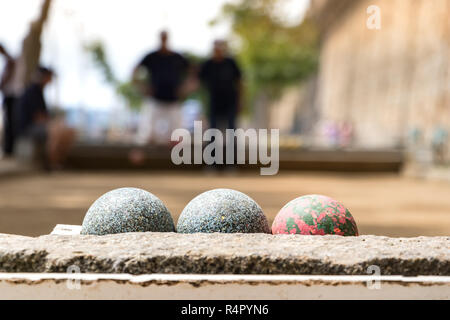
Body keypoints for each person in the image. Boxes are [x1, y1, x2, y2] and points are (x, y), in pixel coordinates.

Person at [133, 30, 189, 146]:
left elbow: (193, 72)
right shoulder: (151, 56)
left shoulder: (177, 57)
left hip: (173, 100)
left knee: (176, 137)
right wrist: (142, 87)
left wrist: (185, 88)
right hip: (155, 100)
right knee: (148, 136)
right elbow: (135, 71)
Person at [15, 66, 74, 169]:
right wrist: (54, 122)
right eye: (49, 77)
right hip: (28, 127)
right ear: (43, 77)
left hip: (39, 125)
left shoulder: (40, 91)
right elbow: (38, 117)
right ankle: (51, 163)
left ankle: (60, 161)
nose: (50, 80)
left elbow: (44, 116)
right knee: (55, 131)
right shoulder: (32, 92)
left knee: (69, 131)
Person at [199, 40, 242, 131]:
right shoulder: (208, 64)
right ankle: (212, 145)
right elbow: (201, 83)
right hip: (214, 101)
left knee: (231, 128)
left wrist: (240, 100)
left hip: (230, 101)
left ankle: (232, 145)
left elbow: (239, 82)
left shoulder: (231, 63)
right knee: (213, 129)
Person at [0, 44, 17, 156]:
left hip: (11, 95)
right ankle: (8, 149)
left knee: (10, 122)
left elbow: (4, 80)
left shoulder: (10, 61)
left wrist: (2, 84)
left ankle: (9, 149)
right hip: (9, 94)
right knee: (9, 122)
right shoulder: (10, 60)